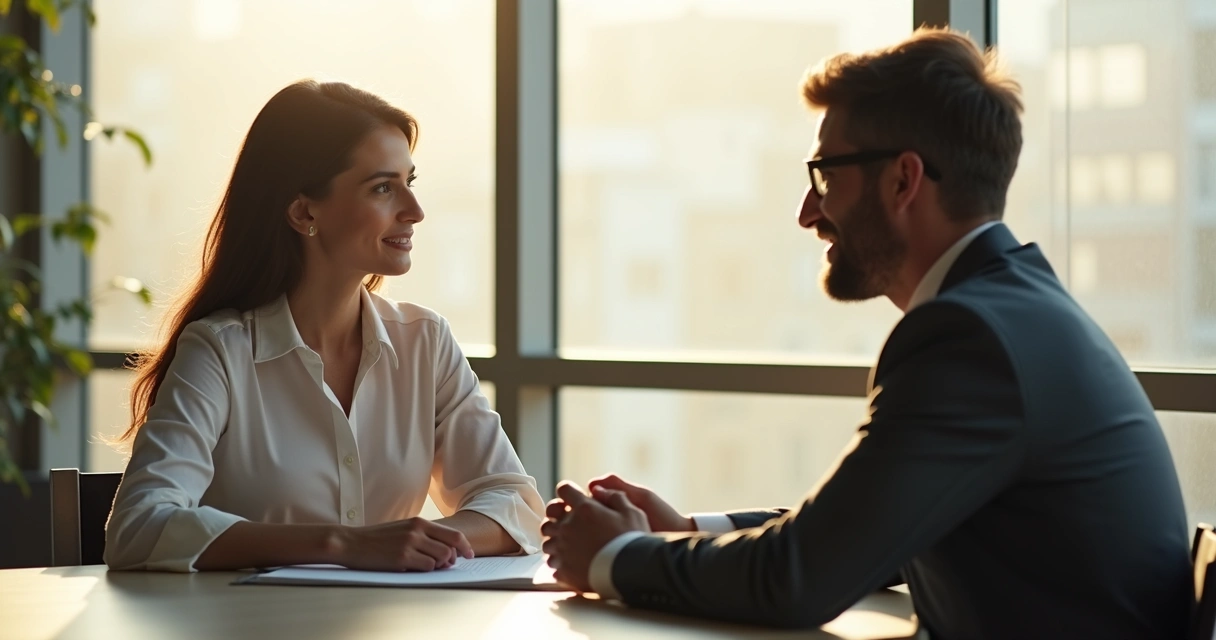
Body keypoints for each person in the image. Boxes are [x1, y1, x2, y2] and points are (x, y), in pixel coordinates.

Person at [541, 28, 1193, 640]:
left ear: (903, 180)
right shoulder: (1014, 309)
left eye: (825, 175)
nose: (808, 213)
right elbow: (867, 534)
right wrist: (686, 531)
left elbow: (799, 579)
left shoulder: (970, 338)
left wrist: (615, 556)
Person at [105, 80, 544, 573]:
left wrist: (415, 541)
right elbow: (138, 527)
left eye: (409, 182)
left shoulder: (425, 342)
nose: (414, 211)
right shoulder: (219, 351)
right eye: (382, 188)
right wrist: (343, 545)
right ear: (303, 211)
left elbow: (516, 504)